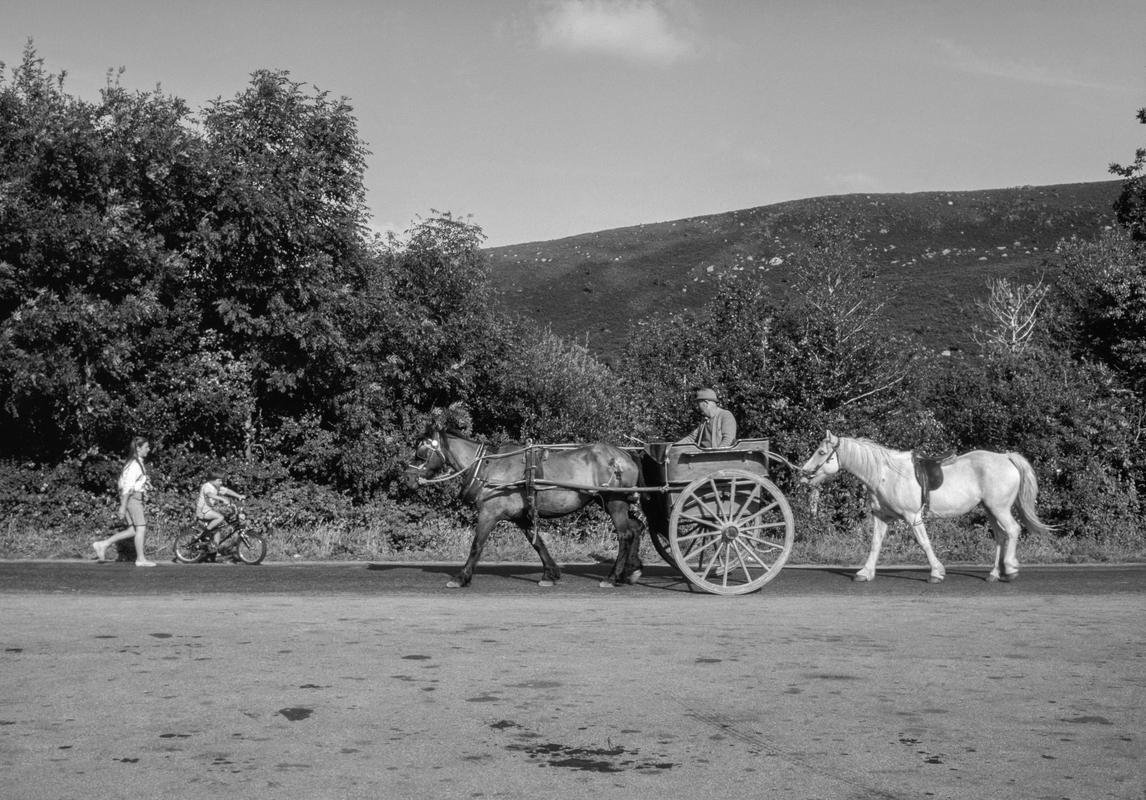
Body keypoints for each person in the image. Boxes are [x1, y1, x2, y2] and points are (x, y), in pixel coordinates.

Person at [92, 436, 156, 567]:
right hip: (133, 498)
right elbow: (127, 487)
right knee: (141, 528)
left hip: (131, 498)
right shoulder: (134, 465)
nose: (148, 450)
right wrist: (123, 506)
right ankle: (140, 559)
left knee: (133, 530)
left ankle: (103, 544)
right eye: (146, 447)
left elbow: (122, 483)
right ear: (138, 448)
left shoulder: (136, 463)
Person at [196, 472, 246, 552]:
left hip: (209, 511)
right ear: (212, 480)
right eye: (219, 481)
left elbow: (227, 491)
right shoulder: (207, 486)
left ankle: (213, 550)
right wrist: (222, 499)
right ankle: (205, 533)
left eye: (221, 481)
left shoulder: (216, 486)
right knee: (220, 517)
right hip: (202, 511)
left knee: (217, 531)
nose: (221, 483)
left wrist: (239, 496)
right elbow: (210, 495)